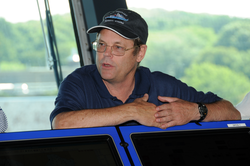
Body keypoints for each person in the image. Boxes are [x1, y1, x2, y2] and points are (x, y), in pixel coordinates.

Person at [50, 8, 240, 130]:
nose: (105, 54)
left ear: (140, 53)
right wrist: (132, 111)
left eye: (117, 47)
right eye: (101, 45)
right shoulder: (79, 82)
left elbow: (232, 113)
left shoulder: (162, 86)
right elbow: (61, 123)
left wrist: (194, 112)